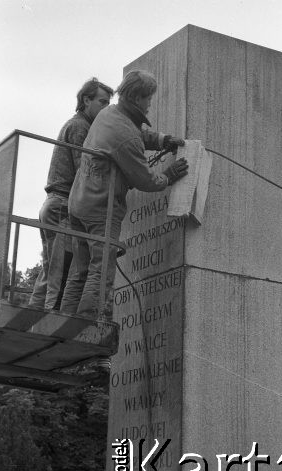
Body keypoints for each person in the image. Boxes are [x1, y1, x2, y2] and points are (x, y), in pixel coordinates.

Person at [60, 69, 188, 321]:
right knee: (100, 271)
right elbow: (146, 180)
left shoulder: (109, 114)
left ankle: (62, 324)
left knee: (80, 271)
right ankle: (88, 328)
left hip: (78, 202)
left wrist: (163, 140)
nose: (151, 103)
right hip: (101, 209)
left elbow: (137, 133)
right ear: (138, 98)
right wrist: (170, 175)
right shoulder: (126, 136)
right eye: (149, 98)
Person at [29, 78, 114, 310]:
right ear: (86, 100)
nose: (106, 108)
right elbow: (84, 171)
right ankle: (44, 323)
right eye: (102, 102)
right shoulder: (81, 127)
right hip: (62, 205)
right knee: (59, 274)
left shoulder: (76, 124)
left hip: (54, 204)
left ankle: (29, 322)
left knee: (49, 273)